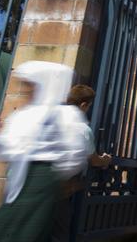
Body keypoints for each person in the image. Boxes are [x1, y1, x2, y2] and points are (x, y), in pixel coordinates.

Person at [0, 60, 89, 241]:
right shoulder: (22, 114)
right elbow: (7, 148)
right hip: (19, 177)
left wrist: (55, 177)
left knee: (30, 233)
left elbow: (76, 153)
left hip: (43, 178)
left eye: (32, 85)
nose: (28, 90)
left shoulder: (65, 114)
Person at [52, 84, 112, 241]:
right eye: (89, 105)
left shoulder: (52, 115)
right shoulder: (83, 128)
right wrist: (106, 159)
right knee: (59, 232)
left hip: (35, 179)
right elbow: (94, 160)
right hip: (62, 187)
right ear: (84, 105)